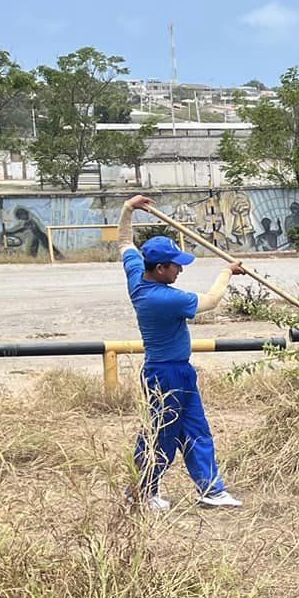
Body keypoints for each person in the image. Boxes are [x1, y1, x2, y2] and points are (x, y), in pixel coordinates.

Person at [118, 194, 245, 511]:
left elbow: (124, 243)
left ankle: (211, 490)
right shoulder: (161, 298)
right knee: (160, 436)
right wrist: (227, 272)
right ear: (160, 268)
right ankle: (140, 493)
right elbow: (211, 301)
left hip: (180, 371)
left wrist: (128, 209)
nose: (180, 271)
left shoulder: (137, 275)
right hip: (164, 374)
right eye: (176, 266)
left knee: (197, 431)